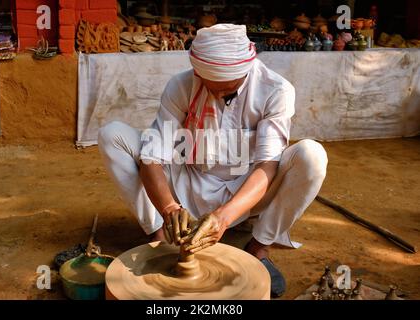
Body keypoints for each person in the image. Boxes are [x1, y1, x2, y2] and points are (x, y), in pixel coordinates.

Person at [98, 24, 328, 298]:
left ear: (244, 73)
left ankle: (259, 246)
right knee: (112, 135)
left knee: (312, 156)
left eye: (227, 92)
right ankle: (159, 237)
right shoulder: (181, 85)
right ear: (198, 73)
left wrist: (224, 216)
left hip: (246, 188)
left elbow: (267, 166)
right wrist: (169, 207)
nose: (218, 97)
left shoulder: (274, 90)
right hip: (187, 180)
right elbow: (152, 157)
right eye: (211, 89)